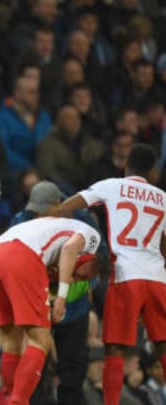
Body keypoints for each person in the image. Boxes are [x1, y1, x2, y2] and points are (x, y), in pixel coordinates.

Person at [60, 144, 166, 405]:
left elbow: (67, 207)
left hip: (125, 273)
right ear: (152, 172)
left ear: (125, 162)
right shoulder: (163, 197)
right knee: (163, 345)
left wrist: (87, 242)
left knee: (115, 348)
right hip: (158, 277)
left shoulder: (111, 186)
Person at [0, 207, 102, 404]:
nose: (74, 280)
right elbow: (70, 249)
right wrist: (62, 297)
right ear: (90, 259)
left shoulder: (50, 228)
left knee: (11, 340)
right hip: (21, 256)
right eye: (80, 275)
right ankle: (18, 401)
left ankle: (11, 397)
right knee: (41, 340)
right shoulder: (92, 237)